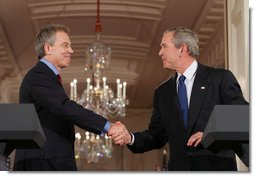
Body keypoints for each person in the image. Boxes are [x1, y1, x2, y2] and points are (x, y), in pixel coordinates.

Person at [109, 27, 248, 171]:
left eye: (164, 46)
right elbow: (157, 135)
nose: (159, 52)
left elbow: (242, 116)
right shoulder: (162, 92)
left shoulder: (220, 78)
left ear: (182, 49)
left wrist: (211, 132)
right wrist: (130, 138)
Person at [13, 24, 125, 171]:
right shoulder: (38, 76)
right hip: (42, 163)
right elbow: (65, 107)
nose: (71, 50)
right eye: (65, 45)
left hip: (50, 161)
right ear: (48, 48)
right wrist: (108, 126)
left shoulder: (46, 77)